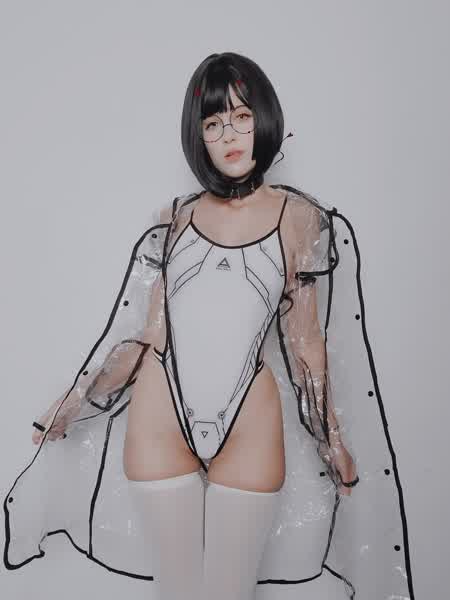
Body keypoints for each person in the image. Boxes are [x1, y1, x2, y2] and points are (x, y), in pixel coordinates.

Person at [4, 52, 415, 600]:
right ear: (199, 135)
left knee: (229, 593)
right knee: (177, 592)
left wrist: (331, 439)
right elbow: (145, 335)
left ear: (264, 118)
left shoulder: (300, 219)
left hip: (250, 423)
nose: (230, 135)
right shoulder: (173, 218)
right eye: (214, 123)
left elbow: (306, 343)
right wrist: (75, 401)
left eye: (242, 117)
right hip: (159, 415)